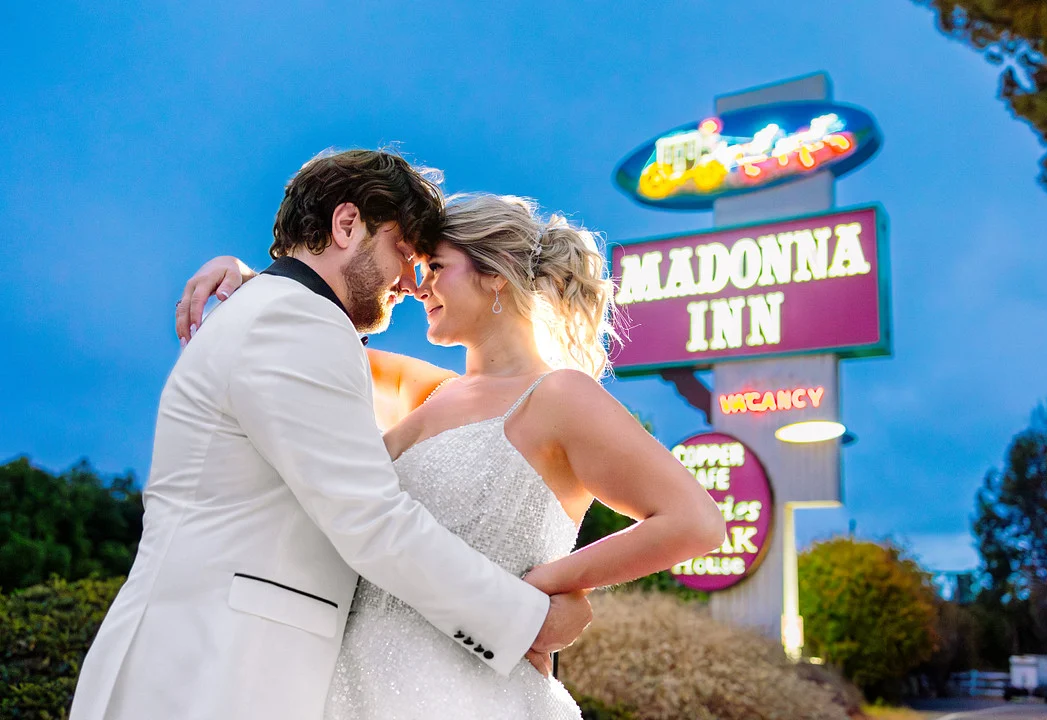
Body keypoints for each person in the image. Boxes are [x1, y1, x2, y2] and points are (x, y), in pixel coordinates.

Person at [69, 150, 594, 720]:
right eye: (404, 252)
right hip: (209, 674)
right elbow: (372, 519)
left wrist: (254, 277)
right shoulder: (293, 322)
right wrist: (526, 621)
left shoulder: (281, 315)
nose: (410, 282)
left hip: (216, 666)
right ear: (347, 224)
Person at [180, 192, 727, 718]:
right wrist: (258, 282)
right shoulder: (429, 393)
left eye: (437, 267)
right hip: (342, 686)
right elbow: (310, 347)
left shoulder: (560, 395)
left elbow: (695, 522)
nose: (419, 288)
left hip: (466, 693)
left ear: (495, 274)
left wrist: (547, 589)